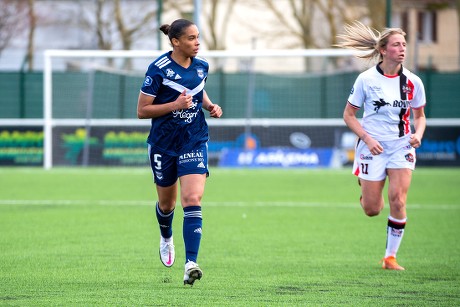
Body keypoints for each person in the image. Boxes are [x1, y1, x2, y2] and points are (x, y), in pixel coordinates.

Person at [137, 19, 223, 285]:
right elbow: (142, 111)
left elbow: (198, 89)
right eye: (191, 38)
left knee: (193, 198)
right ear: (176, 42)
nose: (197, 43)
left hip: (194, 139)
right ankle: (166, 237)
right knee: (167, 204)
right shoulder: (158, 69)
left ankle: (191, 263)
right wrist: (174, 104)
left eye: (198, 37)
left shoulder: (202, 66)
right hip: (163, 144)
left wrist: (208, 105)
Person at [337, 21, 426, 270]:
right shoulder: (366, 79)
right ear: (384, 50)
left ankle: (390, 257)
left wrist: (418, 133)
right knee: (372, 209)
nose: (402, 49)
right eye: (397, 44)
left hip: (401, 146)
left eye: (404, 45)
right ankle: (366, 189)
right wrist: (367, 138)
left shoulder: (413, 82)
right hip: (371, 147)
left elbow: (420, 116)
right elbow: (349, 115)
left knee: (398, 199)